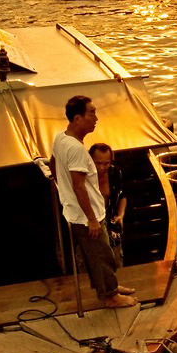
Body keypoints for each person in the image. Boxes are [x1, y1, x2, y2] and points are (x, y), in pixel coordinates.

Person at [50, 95, 136, 309]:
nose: (96, 118)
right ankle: (110, 296)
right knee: (101, 256)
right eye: (92, 113)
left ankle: (110, 287)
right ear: (78, 118)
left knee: (99, 254)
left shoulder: (61, 138)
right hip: (86, 215)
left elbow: (52, 163)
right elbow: (79, 186)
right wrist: (92, 219)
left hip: (79, 210)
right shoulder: (77, 150)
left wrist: (63, 190)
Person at [89, 143, 127, 267]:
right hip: (92, 227)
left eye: (106, 163)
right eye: (98, 163)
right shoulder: (84, 176)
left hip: (112, 226)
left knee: (116, 263)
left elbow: (122, 196)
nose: (102, 167)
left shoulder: (115, 172)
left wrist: (121, 215)